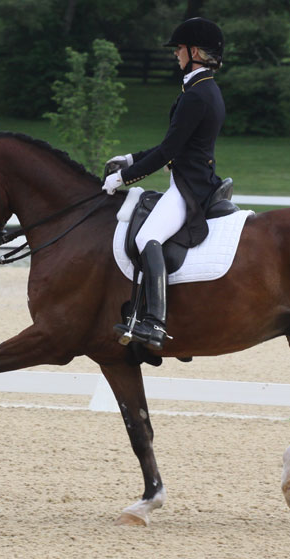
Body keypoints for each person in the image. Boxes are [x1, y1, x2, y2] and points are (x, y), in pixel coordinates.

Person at [101, 17, 226, 351]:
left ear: (194, 51)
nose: (176, 54)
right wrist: (130, 158)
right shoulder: (201, 89)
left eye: (180, 49)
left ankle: (155, 322)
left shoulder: (196, 96)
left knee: (147, 236)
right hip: (192, 177)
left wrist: (124, 178)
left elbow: (170, 151)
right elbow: (173, 144)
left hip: (189, 187)